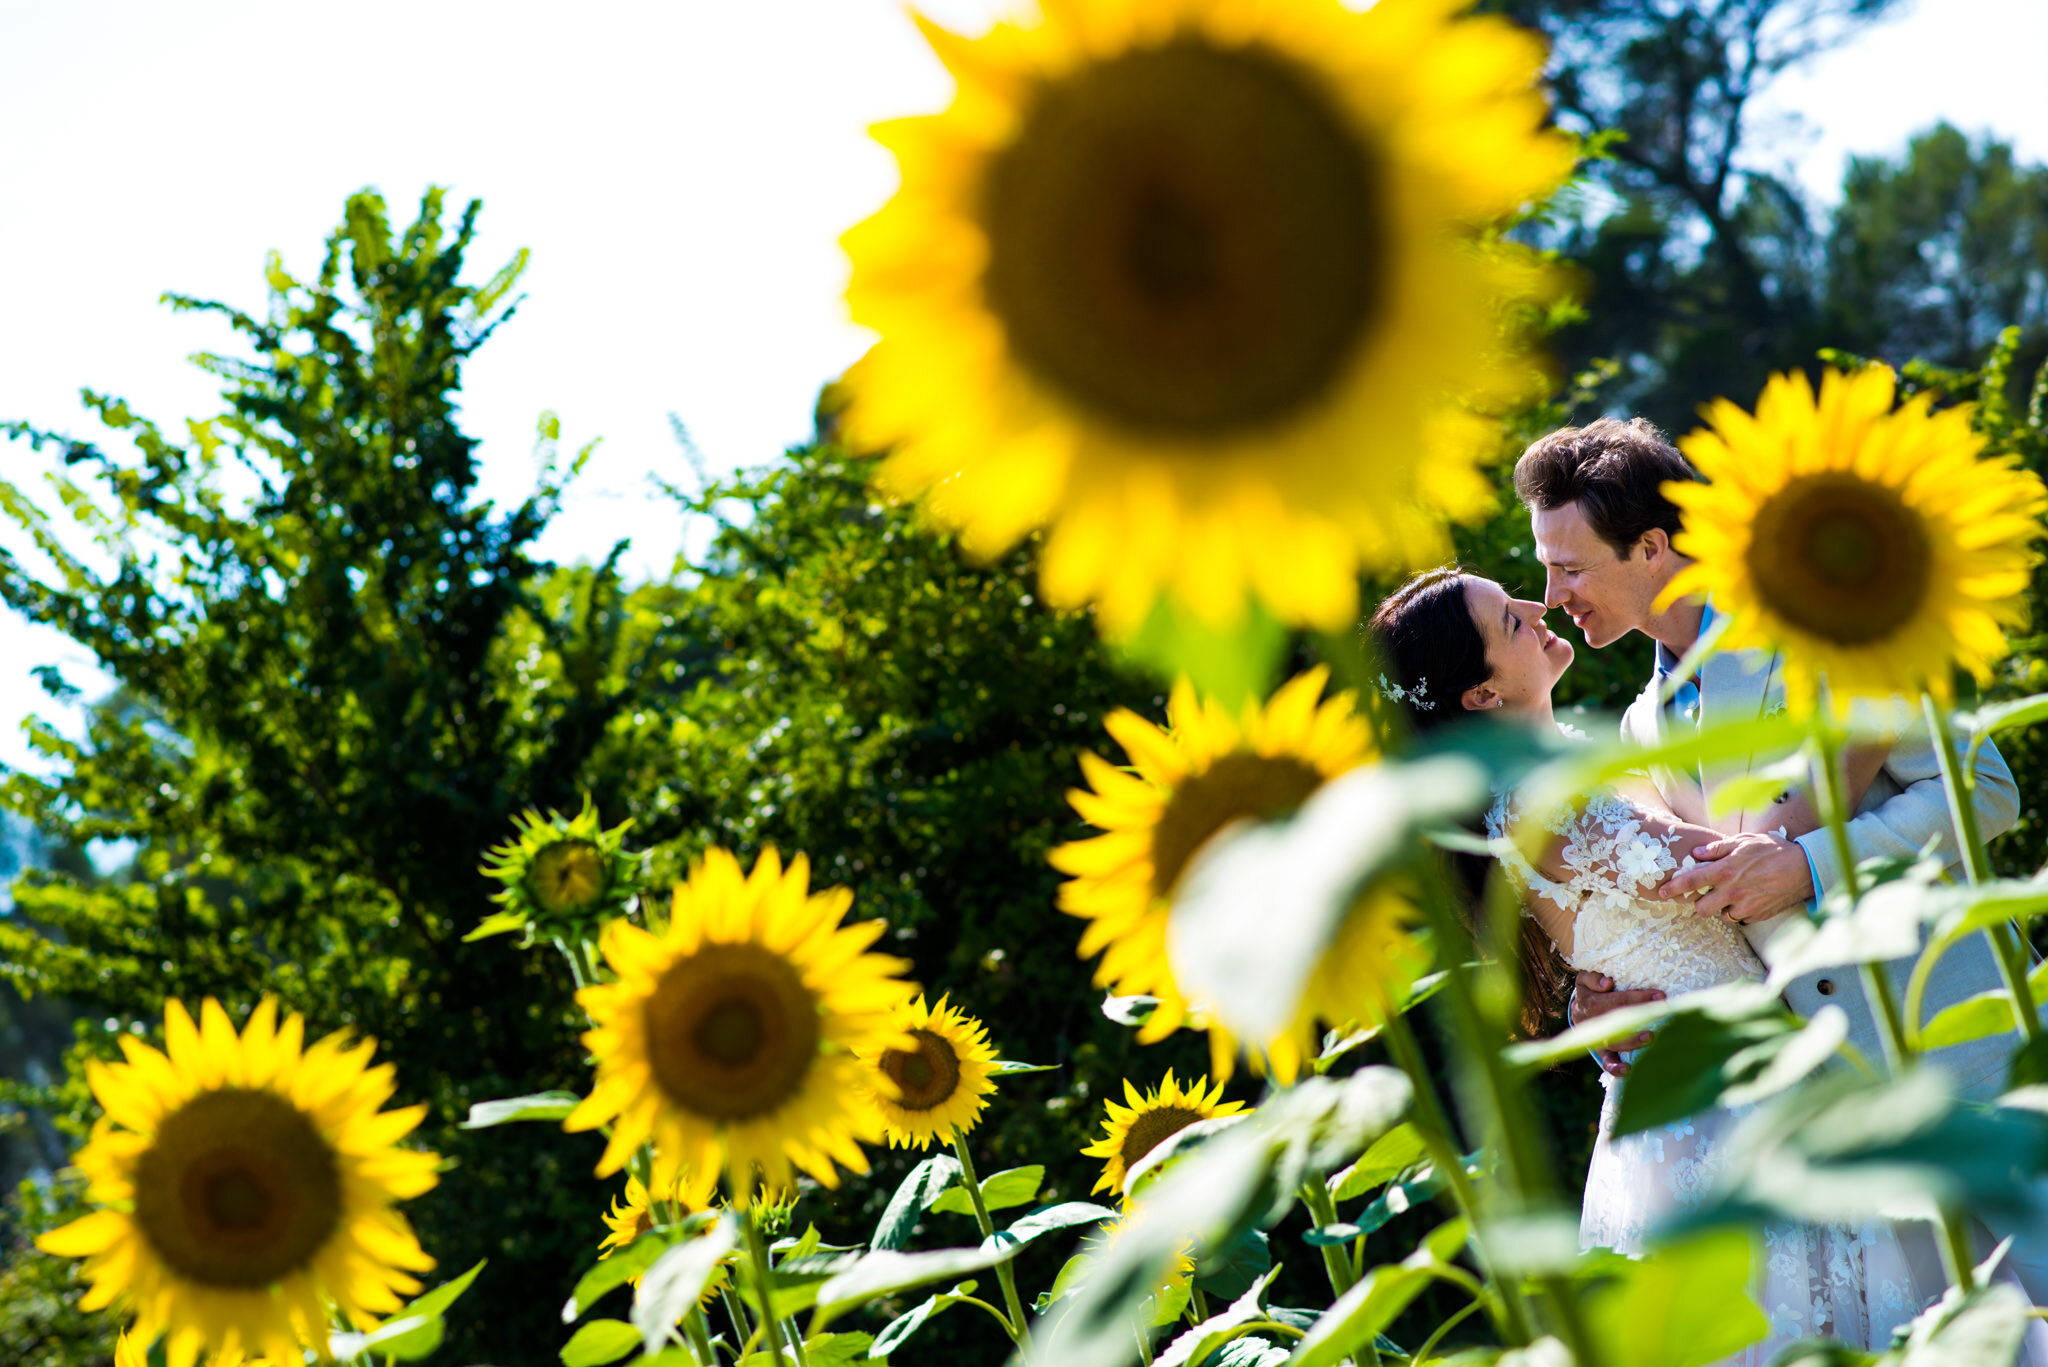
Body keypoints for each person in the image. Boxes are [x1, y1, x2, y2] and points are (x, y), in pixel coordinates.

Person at [1515, 416, 2047, 1346]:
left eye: (1570, 567)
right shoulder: (1643, 728)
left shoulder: (1818, 624)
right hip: (1838, 1125)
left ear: (1653, 547)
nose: (1552, 596)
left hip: (1963, 1054)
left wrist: (1805, 864)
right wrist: (1598, 1000)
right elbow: (1693, 922)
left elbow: (1982, 788)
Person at [1370, 568, 1955, 1360]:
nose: (1537, 608)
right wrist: (1864, 713)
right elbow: (1726, 866)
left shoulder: (1568, 762)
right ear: (1480, 695)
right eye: (1510, 621)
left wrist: (1586, 997)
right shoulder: (1543, 796)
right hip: (1716, 1106)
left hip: (1733, 1076)